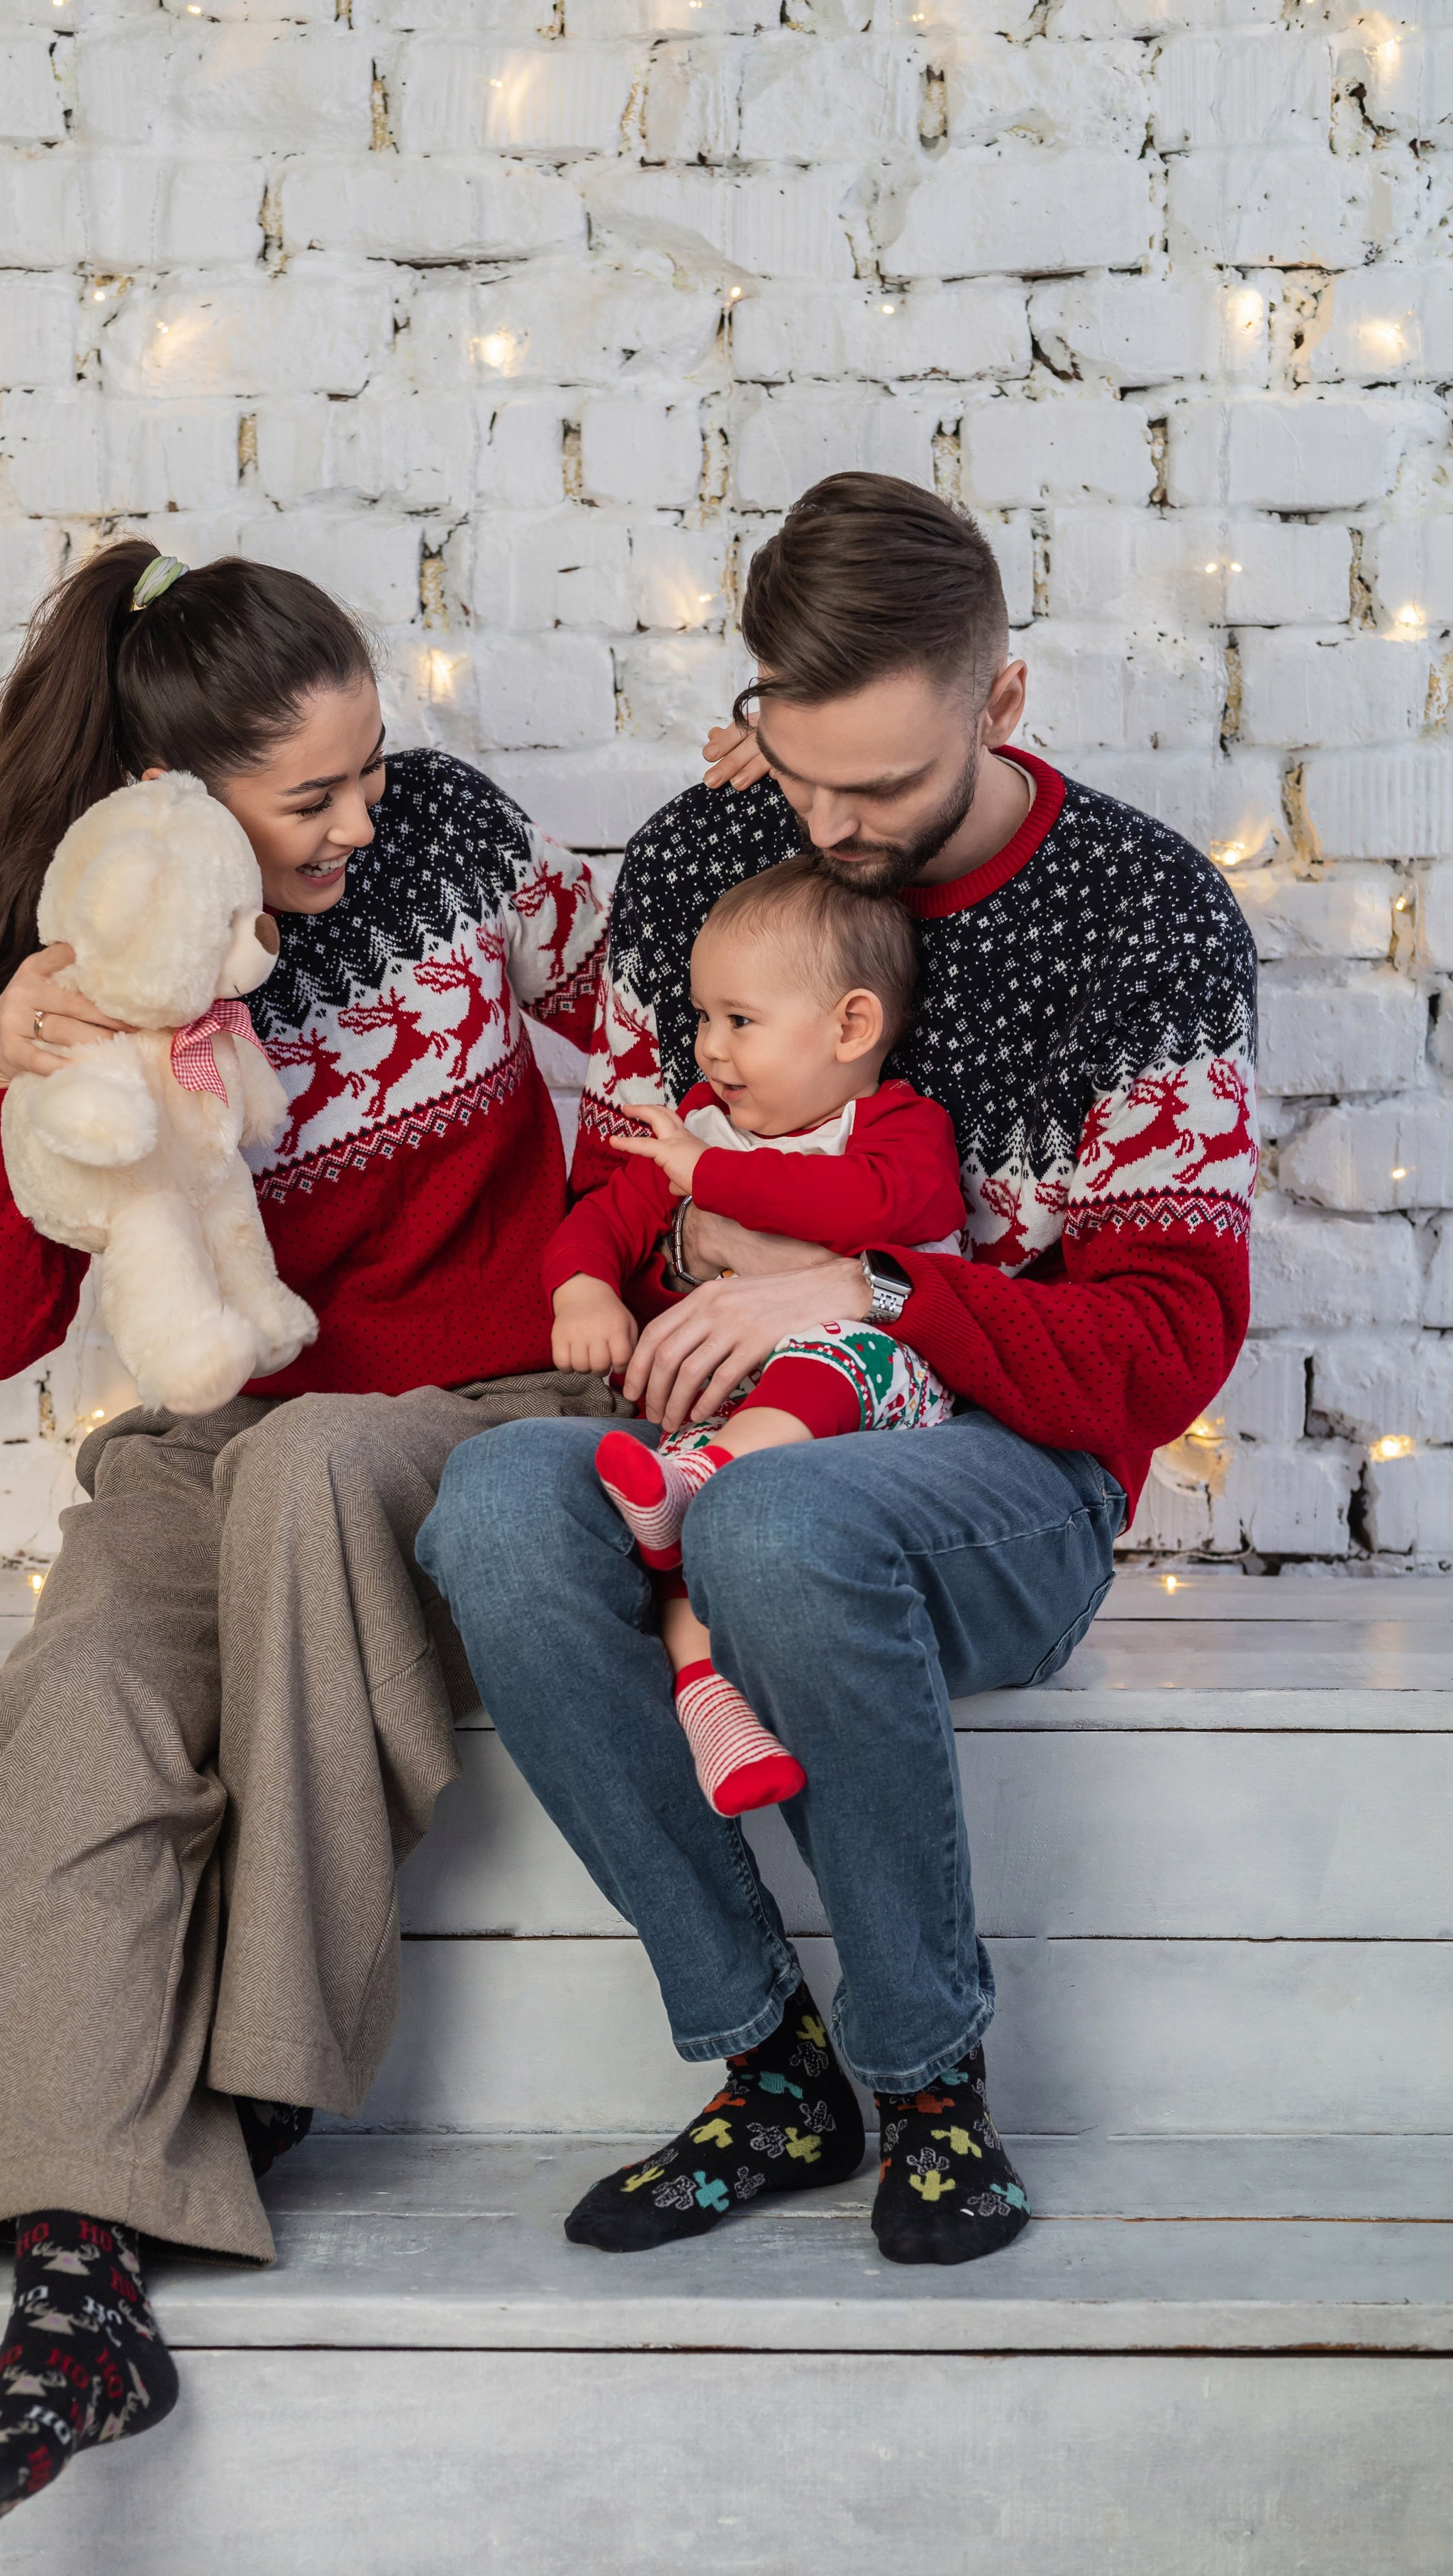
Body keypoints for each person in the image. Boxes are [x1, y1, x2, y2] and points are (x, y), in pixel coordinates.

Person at [0, 539, 612, 2536]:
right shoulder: (109, 970)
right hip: (220, 1429)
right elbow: (0, 1330)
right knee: (88, 1679)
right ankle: (78, 2299)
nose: (361, 819)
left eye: (366, 773)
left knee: (321, 1475)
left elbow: (654, 1000)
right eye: (309, 798)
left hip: (482, 1403)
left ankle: (249, 2089)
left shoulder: (451, 845)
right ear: (174, 806)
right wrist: (0, 1072)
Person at [419, 470, 1257, 2271]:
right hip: (727, 1437)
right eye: (792, 767)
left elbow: (1159, 1353)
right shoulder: (704, 859)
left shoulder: (1145, 923)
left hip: (1006, 1477)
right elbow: (631, 1176)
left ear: (1002, 703)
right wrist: (636, 1266)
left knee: (784, 1529)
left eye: (878, 783)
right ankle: (761, 2067)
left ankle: (927, 2083)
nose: (827, 820)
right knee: (493, 1507)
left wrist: (861, 1286)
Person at [547, 854, 965, 1818]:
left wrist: (706, 1177)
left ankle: (700, 1479)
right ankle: (710, 1708)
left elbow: (863, 1211)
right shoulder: (703, 1131)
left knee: (833, 1354)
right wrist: (584, 1292)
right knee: (682, 1484)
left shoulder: (895, 1129)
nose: (710, 1050)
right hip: (744, 1424)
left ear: (851, 1027)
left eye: (740, 1021)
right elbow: (599, 1220)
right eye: (700, 1018)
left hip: (881, 1404)